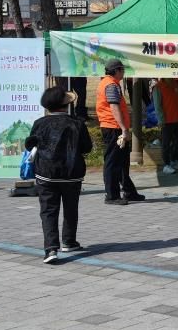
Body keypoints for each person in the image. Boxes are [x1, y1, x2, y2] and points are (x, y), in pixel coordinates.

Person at [25, 86, 93, 263]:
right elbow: (87, 148)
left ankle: (50, 249)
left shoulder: (39, 123)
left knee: (48, 211)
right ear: (66, 105)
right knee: (71, 208)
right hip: (72, 173)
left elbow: (29, 144)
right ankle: (69, 241)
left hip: (46, 173)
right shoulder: (77, 123)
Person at [96, 59, 144, 205]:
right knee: (112, 163)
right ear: (116, 71)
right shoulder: (111, 85)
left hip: (114, 127)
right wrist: (123, 128)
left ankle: (129, 192)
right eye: (122, 70)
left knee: (123, 162)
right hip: (113, 128)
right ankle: (112, 195)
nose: (124, 72)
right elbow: (114, 107)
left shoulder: (109, 82)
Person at [152, 78, 178, 175]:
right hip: (166, 120)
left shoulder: (175, 83)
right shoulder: (158, 87)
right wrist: (161, 120)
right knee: (166, 144)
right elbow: (157, 105)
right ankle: (166, 165)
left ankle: (173, 160)